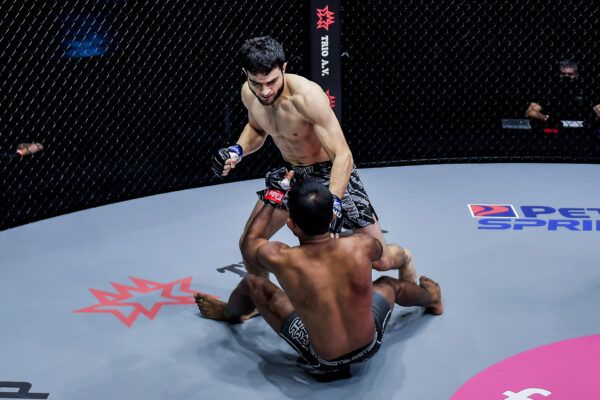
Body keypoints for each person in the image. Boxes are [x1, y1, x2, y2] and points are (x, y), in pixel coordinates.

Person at [195, 180, 443, 377]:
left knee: (252, 284)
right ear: (332, 217)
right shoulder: (362, 245)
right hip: (370, 344)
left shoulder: (283, 258)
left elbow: (250, 242)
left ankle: (228, 313)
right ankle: (432, 300)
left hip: (324, 358)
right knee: (389, 285)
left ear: (291, 225)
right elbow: (379, 254)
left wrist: (274, 194)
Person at [212, 36, 404, 279]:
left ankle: (404, 257)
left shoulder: (307, 97)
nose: (265, 91)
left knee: (382, 260)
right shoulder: (249, 94)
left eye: (271, 82)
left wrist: (334, 202)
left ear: (284, 68)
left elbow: (342, 155)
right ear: (245, 74)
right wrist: (237, 150)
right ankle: (263, 297)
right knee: (250, 243)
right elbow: (257, 128)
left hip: (330, 173)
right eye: (257, 83)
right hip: (293, 173)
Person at [525, 59, 599, 124]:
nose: (566, 76)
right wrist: (545, 117)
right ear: (558, 74)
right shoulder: (549, 89)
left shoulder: (585, 89)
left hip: (582, 127)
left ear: (576, 74)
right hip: (554, 126)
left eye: (570, 74)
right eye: (563, 74)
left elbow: (598, 108)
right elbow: (530, 112)